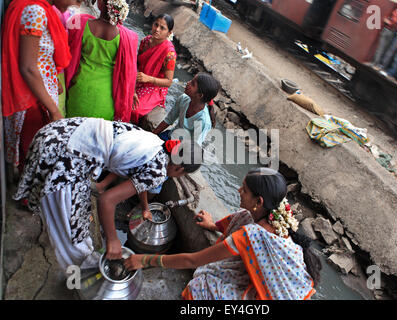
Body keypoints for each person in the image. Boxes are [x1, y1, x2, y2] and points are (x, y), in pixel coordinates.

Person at [13, 117, 204, 269]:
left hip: (56, 134)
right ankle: (81, 271)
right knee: (74, 235)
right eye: (183, 174)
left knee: (80, 209)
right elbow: (106, 201)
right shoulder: (159, 171)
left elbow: (139, 180)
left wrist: (144, 207)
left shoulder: (155, 143)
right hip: (66, 157)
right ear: (179, 169)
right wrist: (113, 241)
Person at [125, 167, 322, 300]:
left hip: (270, 295)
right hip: (278, 284)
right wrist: (213, 225)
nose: (238, 190)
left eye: (244, 190)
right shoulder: (270, 217)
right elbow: (237, 224)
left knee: (202, 284)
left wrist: (144, 260)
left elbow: (193, 261)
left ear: (259, 202)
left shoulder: (253, 235)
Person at [1, 0, 81, 173]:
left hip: (38, 96)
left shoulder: (41, 9)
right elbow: (28, 68)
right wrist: (54, 111)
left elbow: (40, 55)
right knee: (32, 154)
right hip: (33, 100)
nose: (77, 3)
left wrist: (54, 80)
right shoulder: (36, 11)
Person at [65, 0, 138, 122]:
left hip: (79, 92)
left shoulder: (80, 23)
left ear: (99, 4)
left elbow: (66, 52)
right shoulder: (129, 38)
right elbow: (130, 73)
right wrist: (133, 92)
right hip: (106, 99)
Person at [130, 13, 177, 126]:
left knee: (134, 109)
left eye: (162, 28)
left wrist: (148, 79)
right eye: (156, 25)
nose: (157, 29)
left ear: (169, 33)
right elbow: (137, 63)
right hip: (139, 78)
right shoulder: (145, 41)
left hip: (154, 87)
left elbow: (168, 82)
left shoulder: (170, 54)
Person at [152, 72, 221, 146]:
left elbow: (194, 146)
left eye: (193, 84)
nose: (188, 82)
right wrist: (152, 135)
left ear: (200, 95)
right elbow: (169, 120)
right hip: (170, 136)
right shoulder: (183, 98)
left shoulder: (203, 121)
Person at [370, 0, 397, 69]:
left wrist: (388, 22)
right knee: (383, 47)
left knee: (381, 47)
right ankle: (376, 63)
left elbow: (396, 21)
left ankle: (375, 63)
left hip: (389, 29)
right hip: (390, 30)